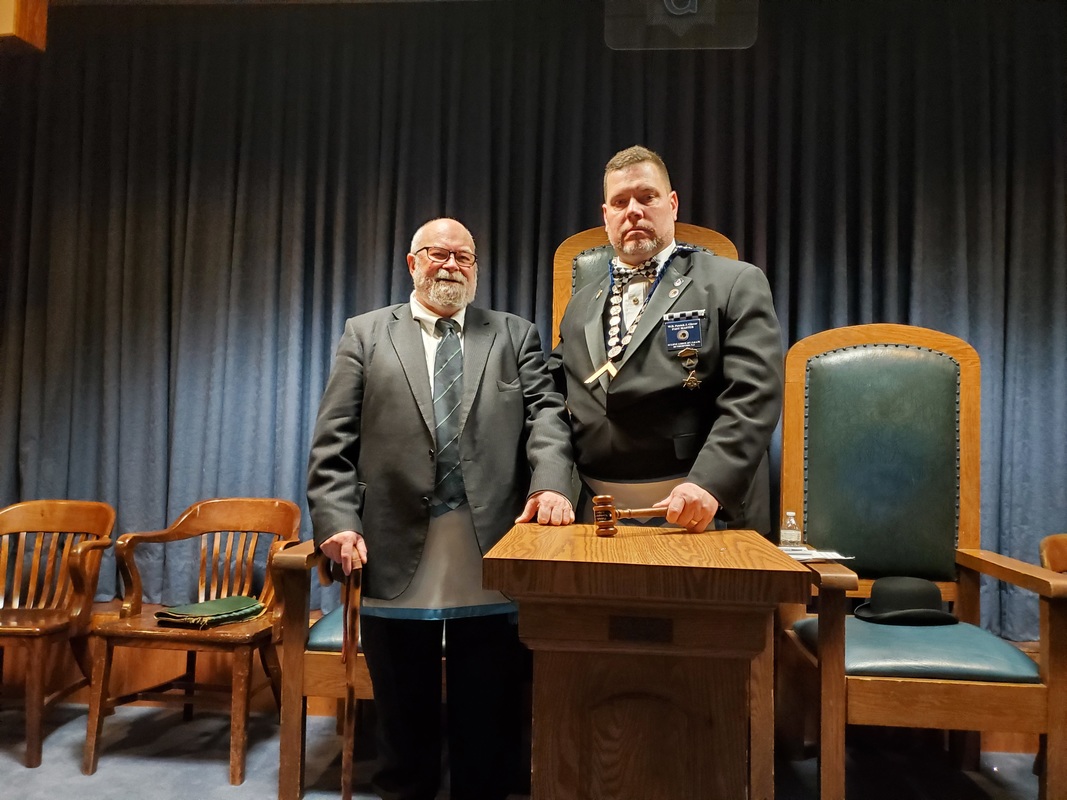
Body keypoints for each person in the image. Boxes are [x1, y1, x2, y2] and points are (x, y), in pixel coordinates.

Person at [307, 217, 574, 800]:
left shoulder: (514, 335)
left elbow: (548, 418)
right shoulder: (365, 334)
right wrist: (336, 522)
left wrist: (551, 484)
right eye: (437, 254)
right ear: (412, 263)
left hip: (491, 554)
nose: (451, 265)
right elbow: (333, 443)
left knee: (490, 723)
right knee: (403, 725)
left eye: (464, 257)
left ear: (476, 268)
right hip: (392, 548)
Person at [551, 145, 784, 533]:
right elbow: (554, 396)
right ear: (606, 216)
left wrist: (709, 483)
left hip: (699, 512)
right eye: (620, 202)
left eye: (647, 197)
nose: (633, 211)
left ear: (672, 204)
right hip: (594, 515)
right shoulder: (580, 304)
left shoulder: (734, 283)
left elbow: (753, 395)